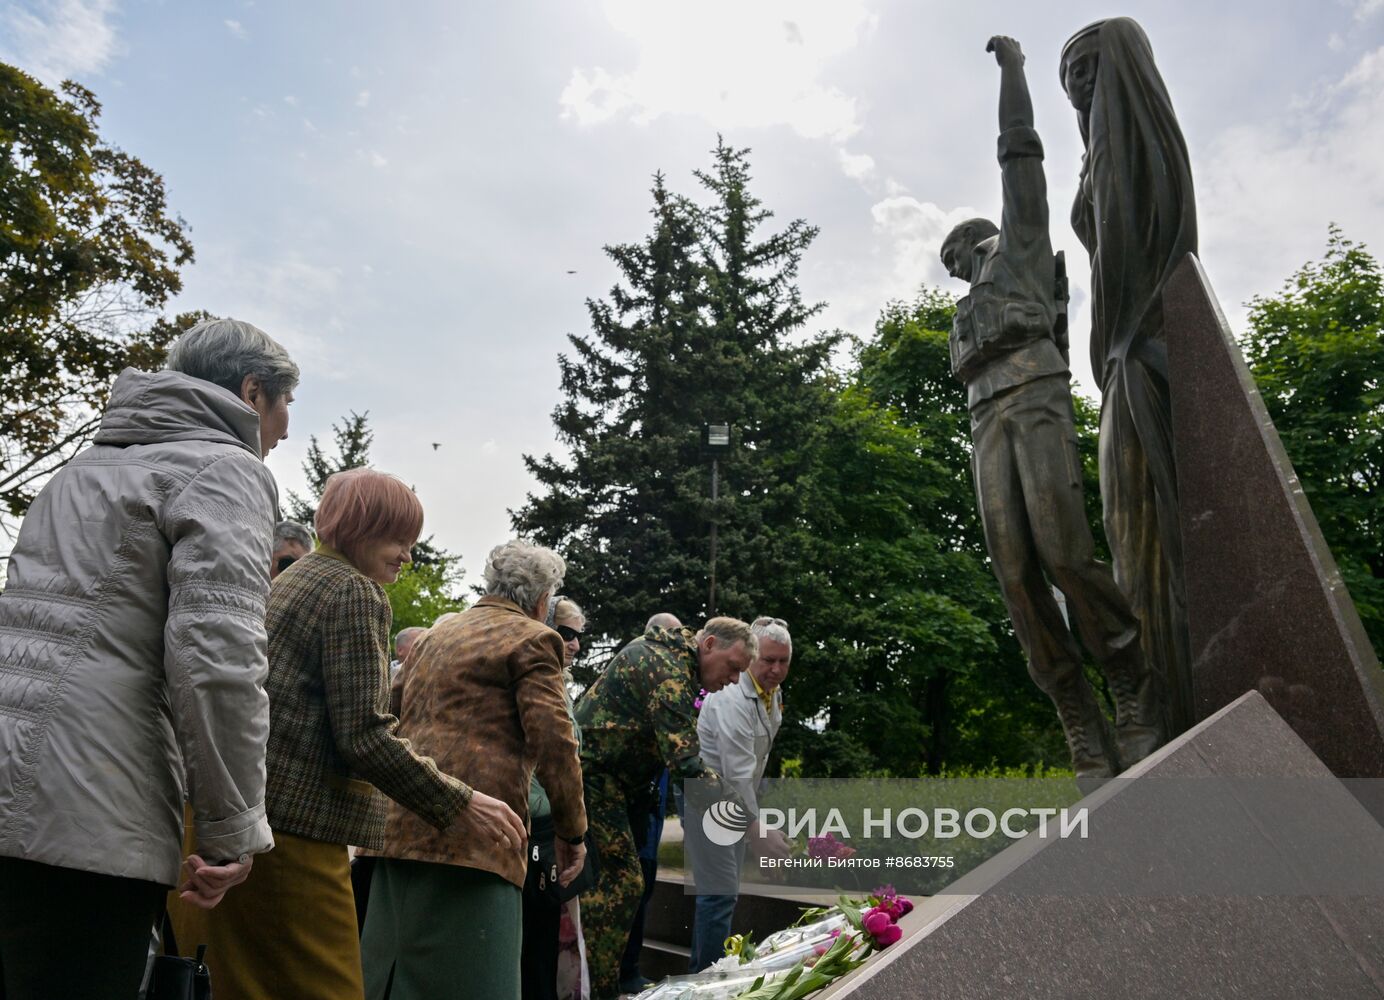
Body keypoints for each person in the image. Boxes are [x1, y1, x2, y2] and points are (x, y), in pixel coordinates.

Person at [0, 317, 296, 999]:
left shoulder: (80, 472)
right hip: (89, 810)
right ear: (253, 393)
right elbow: (217, 661)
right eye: (284, 408)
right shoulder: (226, 469)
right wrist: (230, 828)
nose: (282, 431)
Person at [175, 468, 525, 1000]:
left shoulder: (294, 578)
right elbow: (362, 735)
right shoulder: (354, 591)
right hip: (293, 839)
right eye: (399, 538)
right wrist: (461, 803)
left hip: (234, 818)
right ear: (364, 526)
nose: (408, 555)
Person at [938, 35, 1164, 778]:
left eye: (957, 257)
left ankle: (1129, 679)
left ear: (977, 241)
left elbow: (1019, 154)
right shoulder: (966, 308)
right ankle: (1075, 709)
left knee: (1065, 552)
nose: (956, 271)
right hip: (983, 421)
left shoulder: (1022, 248)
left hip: (1035, 398)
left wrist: (1014, 72)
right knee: (1014, 573)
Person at [362, 541, 587, 1000]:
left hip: (399, 835)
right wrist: (572, 833)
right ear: (542, 600)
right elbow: (555, 742)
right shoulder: (533, 638)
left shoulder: (433, 637)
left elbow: (388, 713)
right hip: (478, 843)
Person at [1061, 17, 1197, 735]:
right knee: (1128, 537)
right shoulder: (1097, 158)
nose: (1079, 87)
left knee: (1148, 535)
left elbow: (1141, 249)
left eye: (1087, 68)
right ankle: (1160, 709)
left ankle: (1176, 704)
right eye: (1069, 78)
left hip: (1141, 348)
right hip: (1119, 355)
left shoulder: (1137, 140)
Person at [575, 617, 754, 1000]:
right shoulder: (668, 672)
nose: (735, 680)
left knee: (620, 881)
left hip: (616, 784)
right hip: (594, 777)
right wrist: (751, 825)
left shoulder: (673, 661)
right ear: (708, 645)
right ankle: (593, 989)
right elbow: (687, 765)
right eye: (734, 667)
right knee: (621, 885)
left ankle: (595, 984)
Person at [686, 616, 795, 971]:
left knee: (722, 893)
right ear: (751, 657)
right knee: (719, 894)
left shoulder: (771, 694)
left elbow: (750, 770)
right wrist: (757, 832)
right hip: (707, 798)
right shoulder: (733, 697)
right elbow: (737, 772)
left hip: (730, 800)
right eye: (768, 660)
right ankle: (706, 983)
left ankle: (703, 976)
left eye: (783, 661)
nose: (776, 669)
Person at [522, 595, 586, 1000]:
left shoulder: (559, 681)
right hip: (536, 830)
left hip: (550, 826)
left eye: (579, 636)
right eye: (566, 633)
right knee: (537, 951)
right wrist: (571, 829)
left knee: (551, 948)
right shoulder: (537, 673)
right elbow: (557, 754)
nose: (575, 644)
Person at [617, 612, 684, 994]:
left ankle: (631, 970)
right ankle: (622, 974)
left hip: (654, 812)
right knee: (631, 888)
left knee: (646, 887)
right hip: (631, 812)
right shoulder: (643, 675)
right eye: (669, 636)